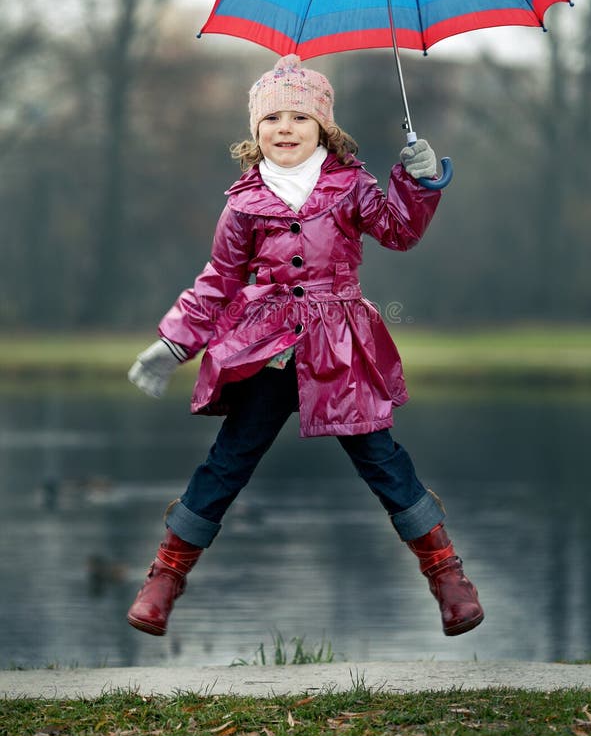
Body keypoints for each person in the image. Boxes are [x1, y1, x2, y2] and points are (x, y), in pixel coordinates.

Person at [126, 54, 484, 639]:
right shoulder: (242, 202)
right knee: (228, 462)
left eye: (299, 116)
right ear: (255, 130)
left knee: (382, 462)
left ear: (324, 128)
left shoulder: (350, 186)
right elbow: (218, 280)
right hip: (264, 349)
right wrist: (172, 344)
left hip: (339, 350)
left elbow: (399, 230)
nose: (284, 128)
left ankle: (448, 578)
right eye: (272, 119)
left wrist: (417, 181)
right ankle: (164, 578)